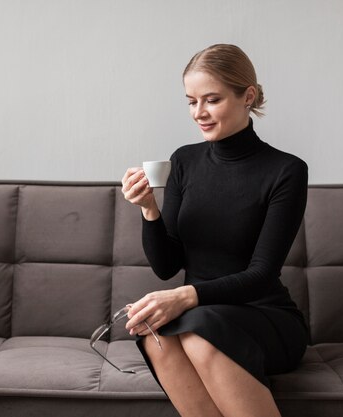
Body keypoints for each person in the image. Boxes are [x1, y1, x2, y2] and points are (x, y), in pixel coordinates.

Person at [121, 44, 309, 417]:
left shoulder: (286, 171)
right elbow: (165, 266)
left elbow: (260, 274)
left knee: (196, 327)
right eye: (191, 102)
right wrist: (148, 209)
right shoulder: (185, 161)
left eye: (212, 100)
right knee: (158, 336)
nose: (199, 113)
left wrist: (184, 297)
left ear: (248, 96)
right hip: (202, 319)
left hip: (265, 316)